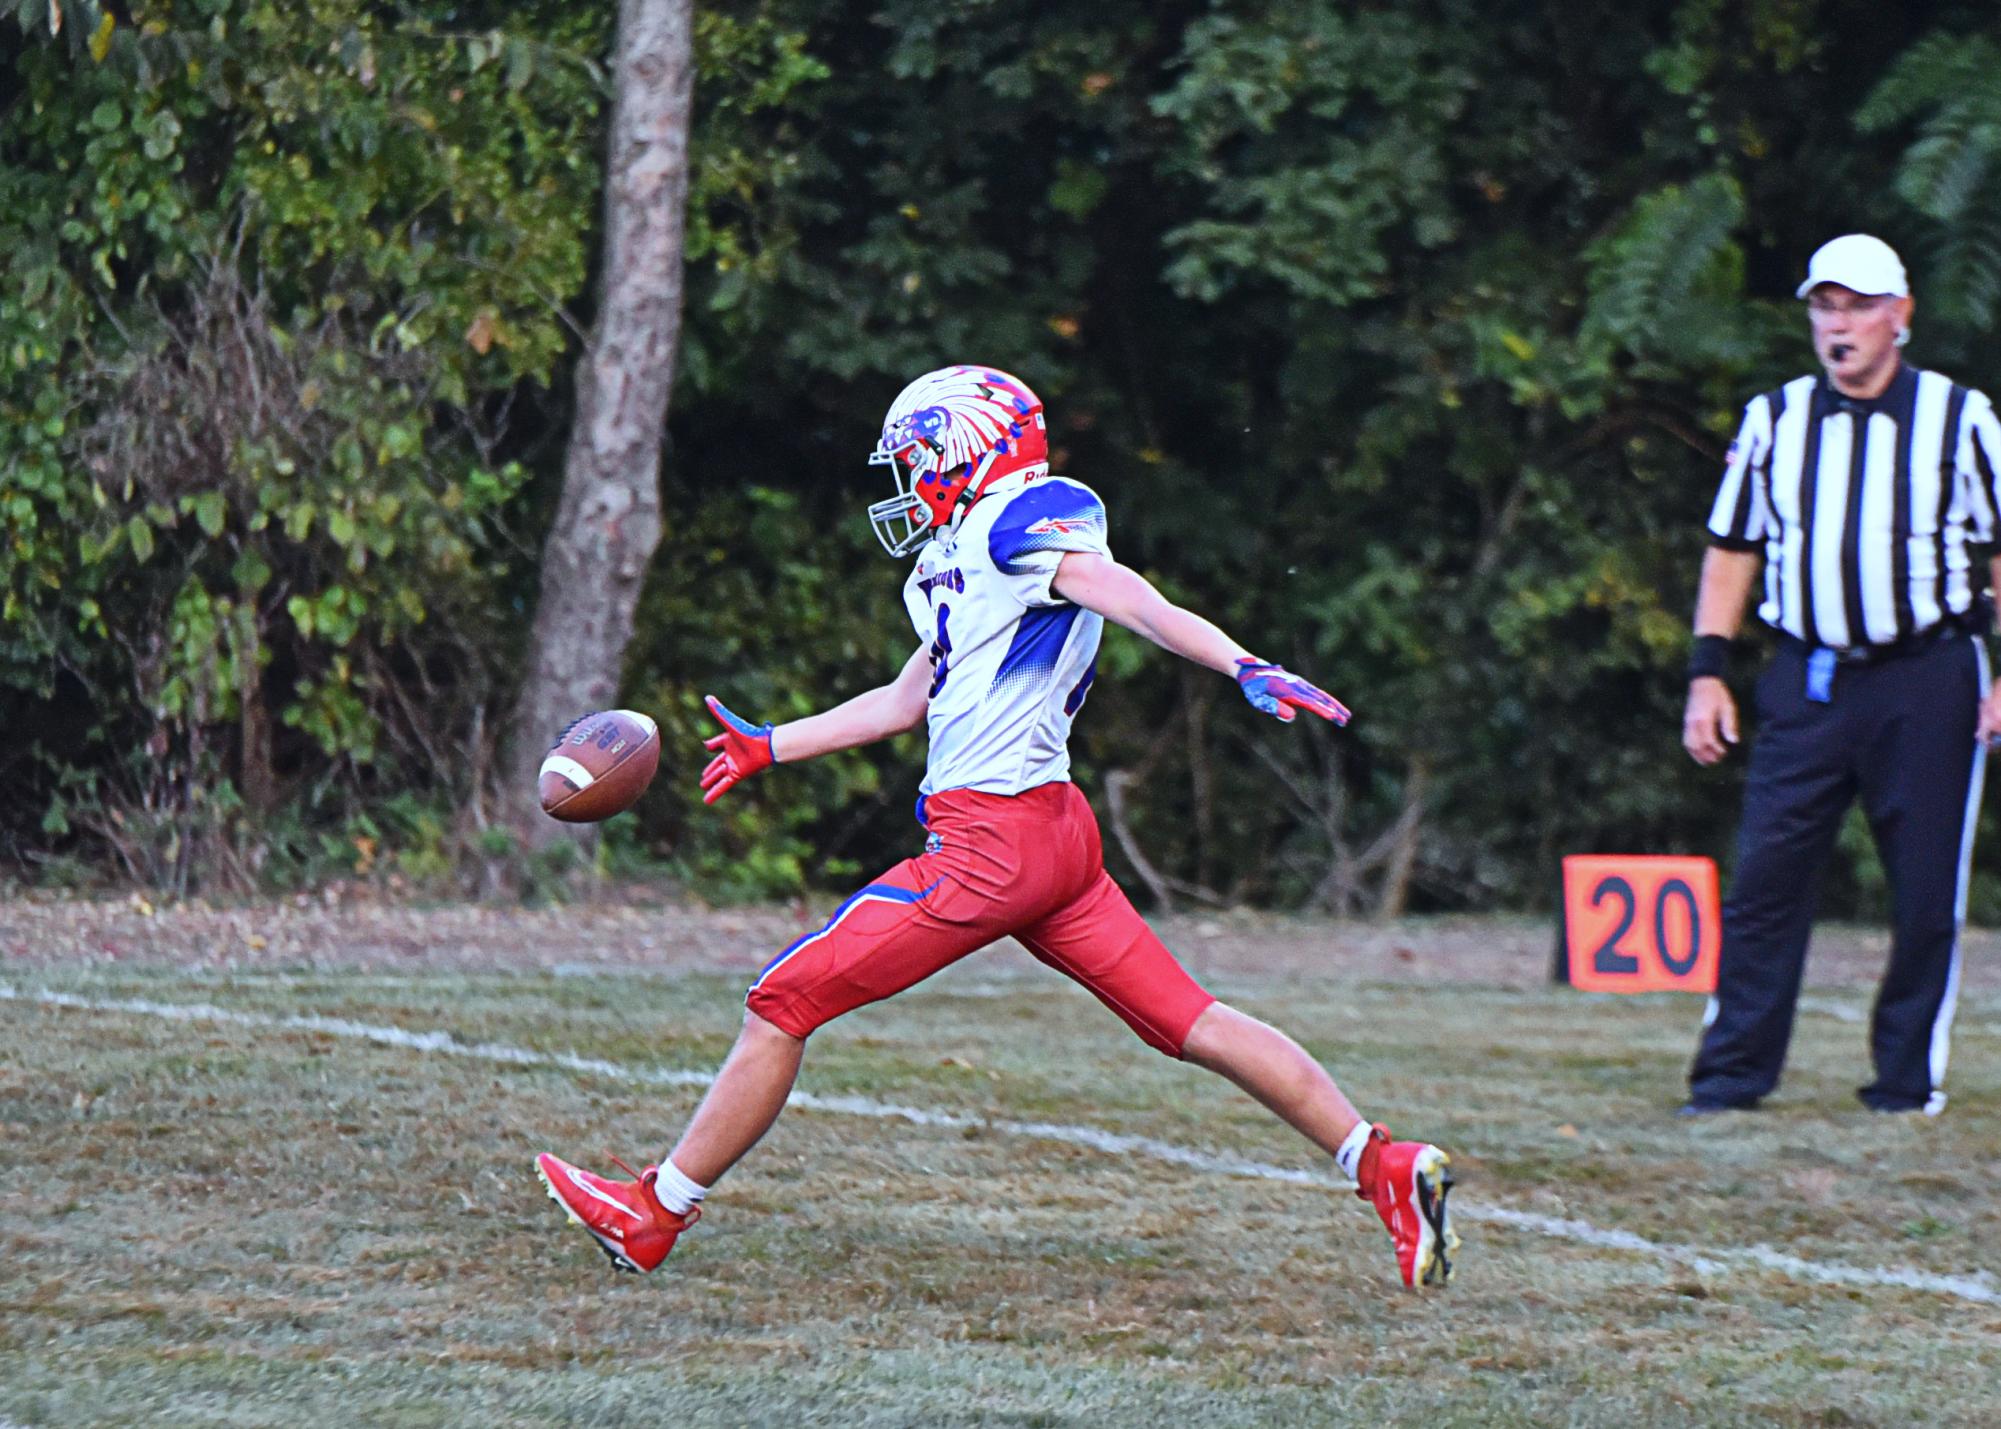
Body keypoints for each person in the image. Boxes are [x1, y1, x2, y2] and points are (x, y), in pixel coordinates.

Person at [536, 365, 1458, 1288]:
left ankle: (655, 1211)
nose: (903, 480)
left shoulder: (1022, 517)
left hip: (991, 847)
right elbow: (907, 699)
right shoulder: (961, 558)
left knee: (781, 1002)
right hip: (1054, 838)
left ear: (963, 448)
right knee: (1194, 1020)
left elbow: (1129, 595)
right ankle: (1379, 1163)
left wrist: (1241, 662)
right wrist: (771, 745)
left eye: (914, 457)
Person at [1683, 234, 2001, 1116]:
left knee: (1925, 887)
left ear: (1898, 316)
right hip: (1811, 675)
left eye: (1858, 306)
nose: (1839, 324)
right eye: (1824, 306)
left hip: (1928, 672)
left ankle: (1903, 1083)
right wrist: (1706, 673)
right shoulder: (1774, 418)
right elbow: (1731, 547)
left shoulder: (1957, 416)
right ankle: (1730, 1077)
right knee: (1764, 882)